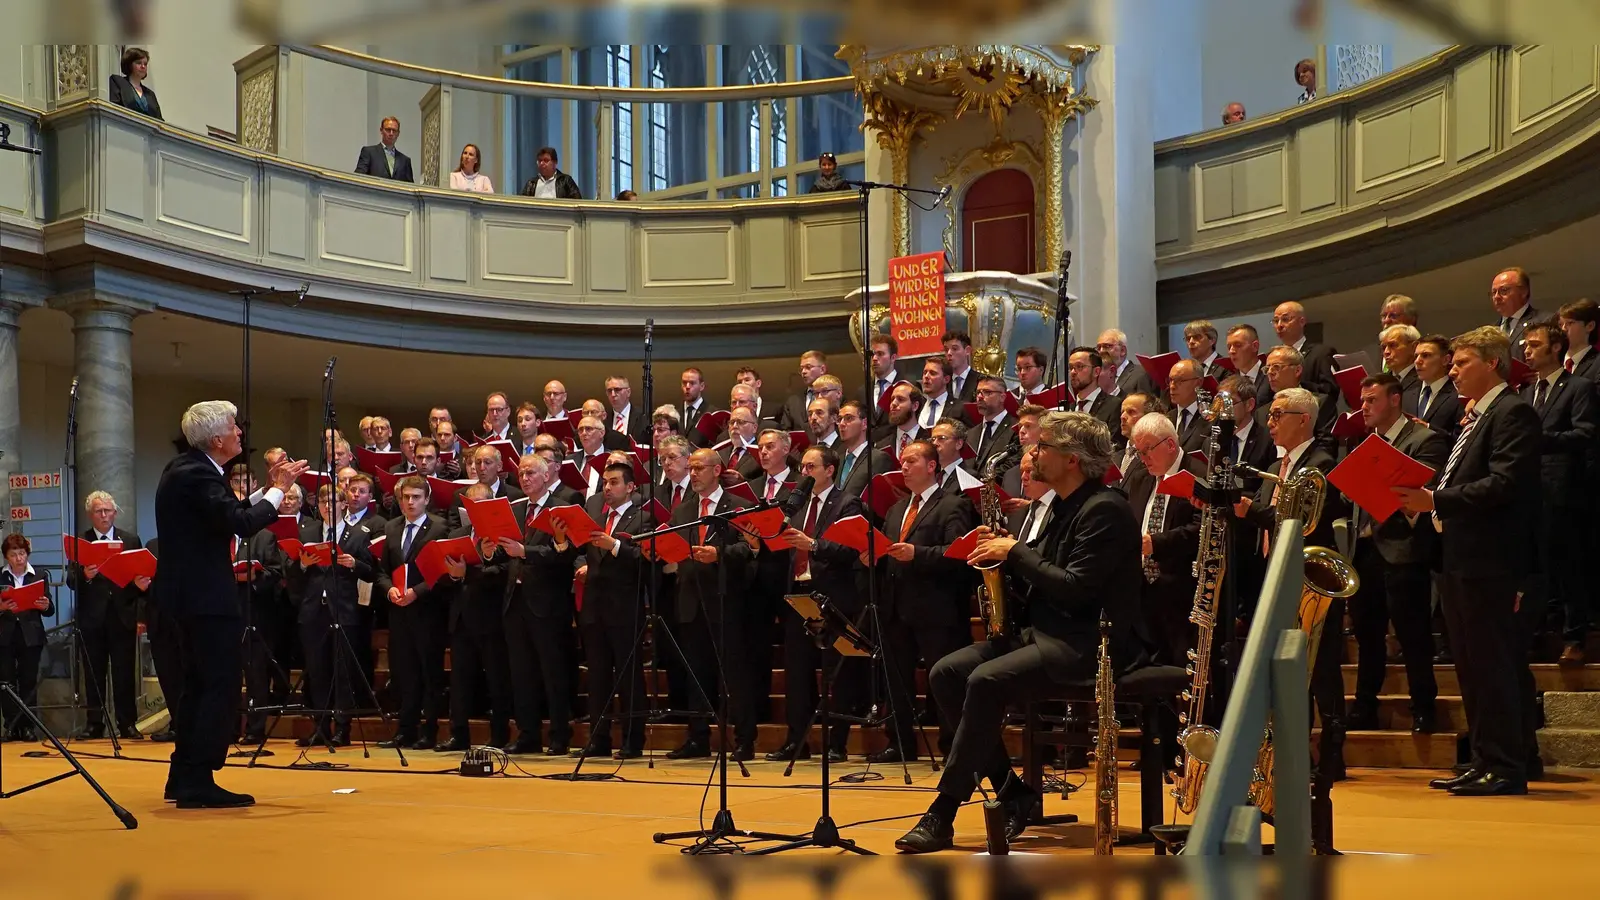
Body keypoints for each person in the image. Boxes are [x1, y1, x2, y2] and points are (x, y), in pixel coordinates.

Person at [894, 412, 1142, 853]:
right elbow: (1039, 579)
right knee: (946, 673)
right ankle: (1012, 792)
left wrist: (1014, 552)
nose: (1033, 453)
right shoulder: (1061, 506)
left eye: (1043, 446)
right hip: (1044, 632)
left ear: (1071, 459)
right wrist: (997, 553)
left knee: (985, 680)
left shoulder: (1105, 509)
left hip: (1089, 644)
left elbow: (1074, 590)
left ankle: (943, 810)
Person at [1395, 327, 1542, 796]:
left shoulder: (1512, 411)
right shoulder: (1478, 415)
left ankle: (1504, 765)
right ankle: (1484, 760)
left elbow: (1503, 485)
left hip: (1490, 561)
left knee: (1492, 665)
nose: (1452, 371)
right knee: (1473, 668)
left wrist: (1434, 500)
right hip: (1463, 558)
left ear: (1492, 364)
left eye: (1461, 363)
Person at [154, 400, 306, 808]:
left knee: (198, 686)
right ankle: (198, 780)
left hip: (191, 596)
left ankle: (183, 775)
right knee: (217, 687)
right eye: (234, 427)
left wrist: (268, 487)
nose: (241, 432)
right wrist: (279, 490)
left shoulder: (190, 469)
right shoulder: (198, 474)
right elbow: (239, 522)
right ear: (217, 439)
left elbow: (227, 511)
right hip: (204, 597)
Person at [1231, 387, 1348, 779]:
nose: (1271, 422)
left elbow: (1294, 522)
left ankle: (1331, 759)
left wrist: (1250, 509)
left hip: (1309, 579)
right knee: (1288, 673)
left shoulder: (1322, 462)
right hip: (1275, 575)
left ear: (1304, 419)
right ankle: (1292, 755)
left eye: (1279, 414)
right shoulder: (1275, 465)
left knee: (1324, 673)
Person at [1346, 374, 1450, 735]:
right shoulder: (1364, 443)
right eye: (1363, 401)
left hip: (1405, 548)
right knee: (1366, 635)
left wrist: (1381, 486)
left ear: (1395, 400)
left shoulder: (1424, 438)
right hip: (1364, 549)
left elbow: (1423, 491)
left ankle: (1424, 706)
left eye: (1372, 400)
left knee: (1413, 634)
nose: (1364, 407)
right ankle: (1364, 706)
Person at [874, 440, 977, 763]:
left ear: (932, 466)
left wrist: (917, 554)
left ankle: (953, 746)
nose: (903, 467)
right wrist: (872, 557)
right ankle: (898, 742)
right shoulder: (895, 510)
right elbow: (889, 552)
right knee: (897, 680)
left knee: (943, 680)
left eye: (911, 461)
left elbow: (958, 554)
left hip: (937, 608)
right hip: (897, 606)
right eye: (902, 461)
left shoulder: (952, 505)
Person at [771, 445, 867, 761]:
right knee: (797, 673)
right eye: (803, 468)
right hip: (798, 595)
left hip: (832, 595)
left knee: (835, 674)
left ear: (830, 470)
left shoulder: (847, 503)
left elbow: (852, 550)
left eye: (811, 467)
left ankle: (836, 743)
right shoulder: (796, 506)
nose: (805, 473)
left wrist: (813, 544)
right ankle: (796, 741)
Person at [661, 448, 755, 759]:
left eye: (700, 467)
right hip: (690, 601)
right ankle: (697, 738)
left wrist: (719, 555)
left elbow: (750, 551)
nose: (694, 473)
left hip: (725, 601)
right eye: (691, 468)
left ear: (717, 471)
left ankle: (744, 739)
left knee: (734, 675)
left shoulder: (737, 508)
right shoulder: (684, 511)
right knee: (696, 674)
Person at [1518, 323, 1596, 665]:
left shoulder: (1578, 386)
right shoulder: (1524, 392)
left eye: (1535, 345)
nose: (1527, 350)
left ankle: (1574, 637)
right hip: (1529, 490)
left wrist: (1541, 439)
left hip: (1564, 487)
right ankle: (1536, 634)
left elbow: (1586, 433)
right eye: (1526, 345)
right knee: (1535, 568)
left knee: (1568, 567)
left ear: (1556, 348)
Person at [501, 455, 582, 755]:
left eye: (531, 472)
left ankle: (560, 735)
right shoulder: (516, 508)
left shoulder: (560, 508)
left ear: (547, 475)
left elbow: (564, 552)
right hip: (516, 601)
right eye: (521, 473)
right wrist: (488, 551)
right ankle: (527, 735)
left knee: (553, 672)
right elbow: (505, 554)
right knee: (521, 674)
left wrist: (526, 551)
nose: (524, 478)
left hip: (548, 602)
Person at [574, 462, 652, 759]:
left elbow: (645, 559)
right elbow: (581, 551)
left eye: (614, 482)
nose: (607, 487)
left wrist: (615, 546)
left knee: (630, 677)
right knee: (598, 677)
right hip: (594, 607)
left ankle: (634, 740)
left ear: (630, 487)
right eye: (605, 482)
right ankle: (598, 738)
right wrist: (579, 563)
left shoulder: (643, 518)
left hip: (625, 608)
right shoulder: (596, 516)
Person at [372, 475, 453, 751]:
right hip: (399, 611)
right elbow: (382, 570)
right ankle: (405, 730)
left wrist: (416, 592)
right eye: (406, 497)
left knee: (429, 673)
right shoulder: (392, 526)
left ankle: (428, 731)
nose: (410, 502)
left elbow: (442, 571)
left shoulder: (439, 527)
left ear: (427, 499)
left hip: (427, 610)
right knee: (403, 672)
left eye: (416, 497)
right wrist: (389, 590)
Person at [68, 490, 150, 740]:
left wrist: (140, 614)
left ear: (115, 512)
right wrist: (85, 575)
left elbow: (139, 577)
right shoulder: (79, 542)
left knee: (124, 672)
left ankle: (127, 723)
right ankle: (95, 723)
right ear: (90, 515)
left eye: (107, 510)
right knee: (94, 672)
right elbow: (71, 580)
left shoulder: (130, 539)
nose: (103, 515)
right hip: (93, 617)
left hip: (122, 614)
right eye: (98, 511)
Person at [438, 484, 514, 753]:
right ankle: (458, 735)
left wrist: (467, 573)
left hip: (492, 618)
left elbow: (503, 572)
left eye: (482, 503)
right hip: (461, 618)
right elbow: (447, 576)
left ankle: (499, 735)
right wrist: (455, 575)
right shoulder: (457, 533)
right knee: (459, 681)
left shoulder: (503, 535)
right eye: (471, 504)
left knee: (497, 680)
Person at [1, 535, 53, 741]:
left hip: (31, 635)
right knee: (6, 683)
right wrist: (2, 607)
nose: (19, 558)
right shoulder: (1, 577)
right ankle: (11, 726)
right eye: (13, 555)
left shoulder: (38, 575)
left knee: (29, 681)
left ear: (27, 554)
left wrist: (45, 605)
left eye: (22, 553)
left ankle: (28, 726)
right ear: (6, 557)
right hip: (5, 635)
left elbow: (49, 610)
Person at [1490, 267, 1540, 356]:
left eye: (1504, 290)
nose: (1496, 297)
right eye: (1494, 292)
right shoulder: (1490, 331)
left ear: (1524, 292)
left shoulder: (1544, 321)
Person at [108, 47, 163, 120]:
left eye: (145, 64)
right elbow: (114, 108)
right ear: (129, 65)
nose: (143, 66)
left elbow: (159, 120)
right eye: (139, 63)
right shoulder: (118, 82)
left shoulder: (150, 94)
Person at [355, 117, 414, 182]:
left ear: (398, 133)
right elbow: (359, 178)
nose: (391, 133)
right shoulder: (369, 152)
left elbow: (410, 187)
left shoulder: (405, 161)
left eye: (394, 131)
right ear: (381, 130)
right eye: (388, 130)